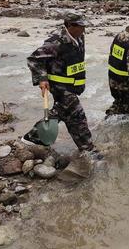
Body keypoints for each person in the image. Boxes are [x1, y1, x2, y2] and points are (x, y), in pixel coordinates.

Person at [22, 13, 95, 152]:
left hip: (73, 85)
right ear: (69, 25)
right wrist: (42, 78)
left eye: (84, 26)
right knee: (77, 115)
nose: (84, 30)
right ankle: (88, 148)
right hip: (61, 86)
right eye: (80, 26)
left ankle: (33, 137)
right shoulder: (56, 42)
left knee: (63, 114)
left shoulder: (79, 37)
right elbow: (34, 59)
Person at [106, 16, 129, 117]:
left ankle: (107, 120)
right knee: (128, 110)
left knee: (118, 103)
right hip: (125, 82)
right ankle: (124, 130)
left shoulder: (119, 36)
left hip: (112, 78)